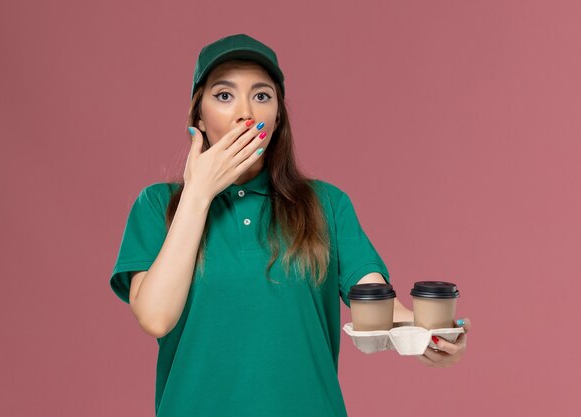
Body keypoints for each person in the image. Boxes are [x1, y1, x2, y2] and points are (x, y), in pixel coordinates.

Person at [110, 33, 472, 417]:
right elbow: (155, 316)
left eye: (262, 96)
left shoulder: (325, 204)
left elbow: (379, 304)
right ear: (198, 114)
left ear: (278, 115)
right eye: (224, 95)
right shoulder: (157, 205)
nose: (244, 113)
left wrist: (433, 337)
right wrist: (198, 194)